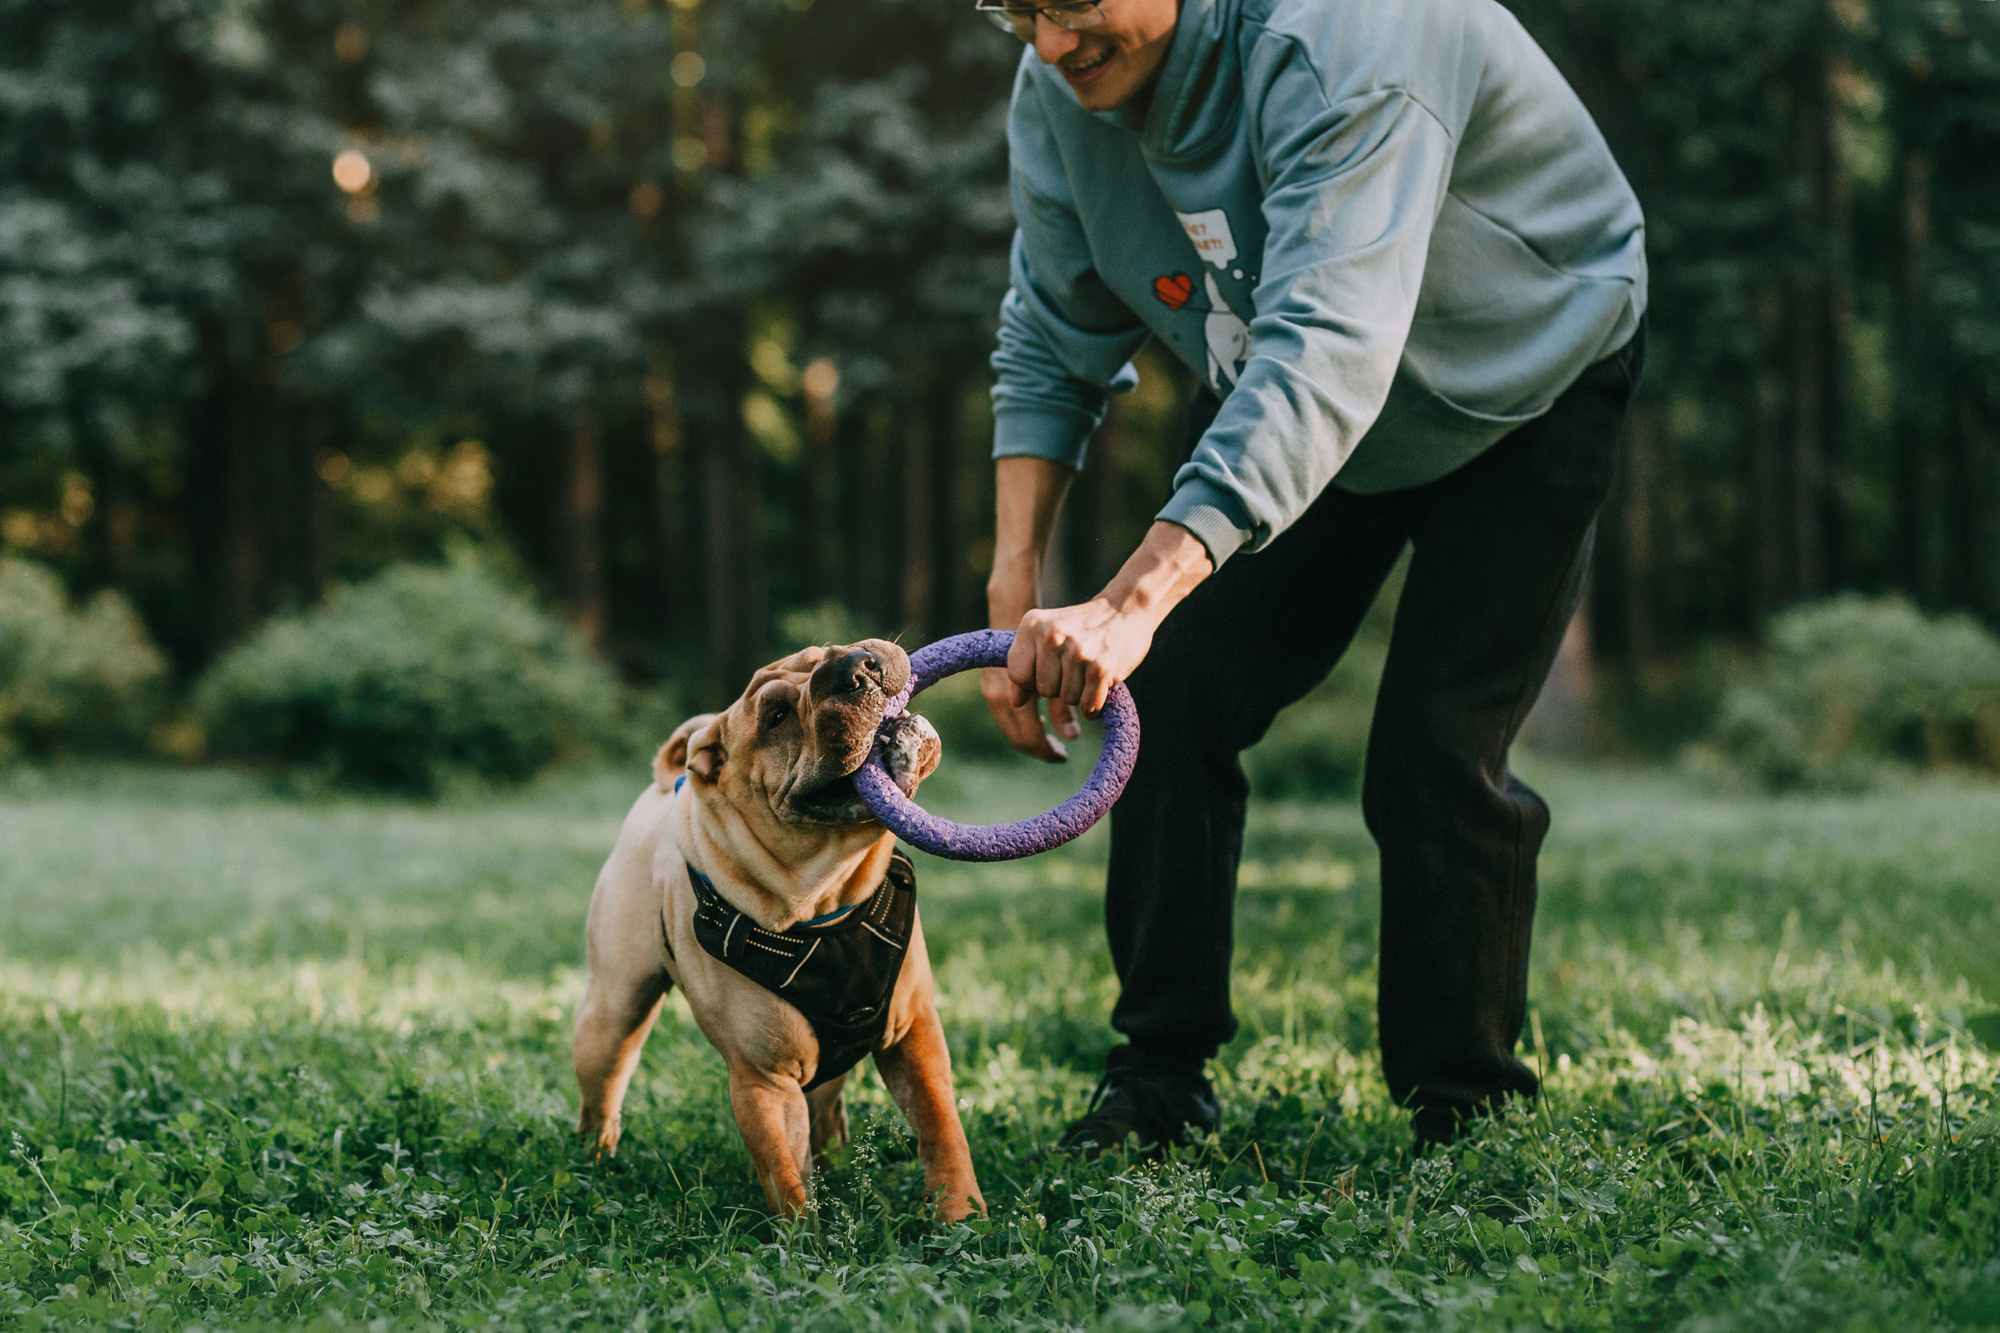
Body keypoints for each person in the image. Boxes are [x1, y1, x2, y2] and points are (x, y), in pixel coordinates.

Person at [974, 0, 1648, 1154]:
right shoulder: (1058, 98)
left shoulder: (1351, 38)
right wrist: (1015, 573)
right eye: (1015, 7)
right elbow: (1050, 325)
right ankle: (1157, 1078)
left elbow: (1327, 345)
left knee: (1435, 745)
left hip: (1521, 373)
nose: (1047, 42)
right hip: (1289, 388)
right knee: (1170, 692)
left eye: (1072, 1)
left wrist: (1129, 597)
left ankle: (1463, 1101)